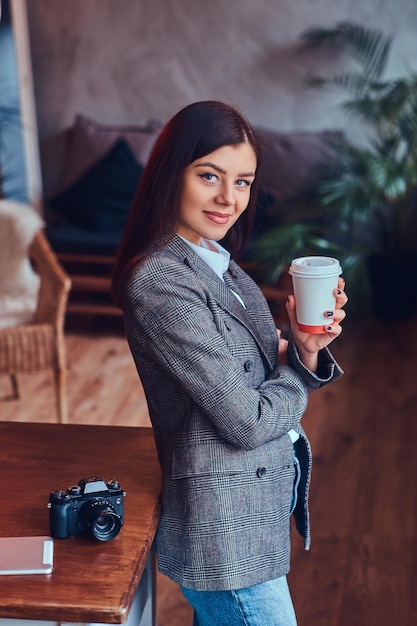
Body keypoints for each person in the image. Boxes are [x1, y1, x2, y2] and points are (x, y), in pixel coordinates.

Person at [111, 100, 347, 626]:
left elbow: (253, 367)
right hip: (225, 530)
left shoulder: (219, 265)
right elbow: (246, 420)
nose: (228, 198)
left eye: (243, 182)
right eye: (210, 176)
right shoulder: (160, 281)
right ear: (173, 174)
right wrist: (297, 372)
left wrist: (306, 345)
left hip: (252, 505)